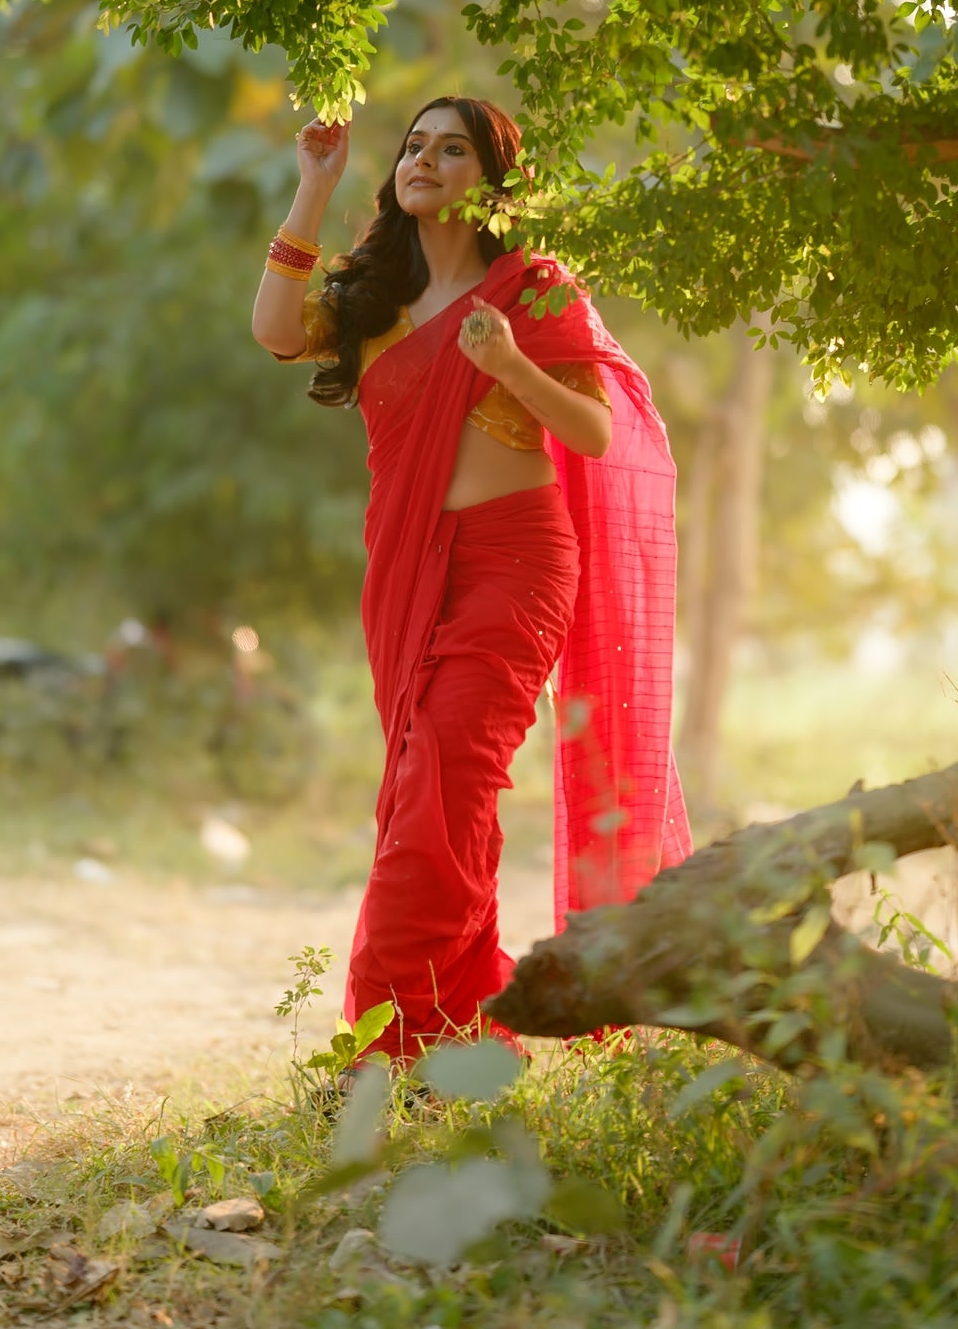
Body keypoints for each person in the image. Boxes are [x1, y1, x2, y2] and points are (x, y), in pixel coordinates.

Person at [252, 96, 691, 1062]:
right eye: (414, 146)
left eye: (454, 149)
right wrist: (314, 185)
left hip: (518, 561)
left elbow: (595, 433)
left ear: (492, 184)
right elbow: (277, 331)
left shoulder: (534, 292)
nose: (426, 160)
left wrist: (511, 362)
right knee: (434, 793)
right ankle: (463, 1029)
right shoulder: (372, 299)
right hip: (409, 571)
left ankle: (385, 1052)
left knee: (444, 777)